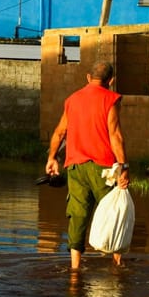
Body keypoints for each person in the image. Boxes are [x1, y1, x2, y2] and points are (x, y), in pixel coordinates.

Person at [45, 60, 129, 272]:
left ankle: (75, 268)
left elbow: (59, 132)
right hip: (104, 168)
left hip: (75, 167)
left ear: (88, 78)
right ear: (111, 80)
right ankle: (117, 263)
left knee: (77, 214)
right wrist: (123, 166)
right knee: (113, 210)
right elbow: (115, 135)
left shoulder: (72, 99)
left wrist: (52, 158)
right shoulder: (111, 98)